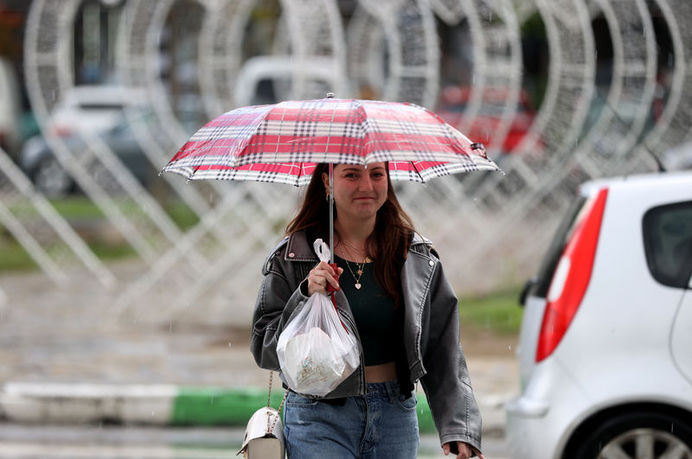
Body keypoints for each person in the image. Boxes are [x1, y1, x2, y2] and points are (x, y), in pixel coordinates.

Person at [251, 162, 484, 459]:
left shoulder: (414, 256)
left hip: (395, 416)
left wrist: (459, 425)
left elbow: (443, 347)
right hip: (318, 414)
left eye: (376, 174)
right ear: (327, 182)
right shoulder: (294, 255)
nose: (366, 186)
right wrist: (304, 295)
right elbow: (264, 348)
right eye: (351, 175)